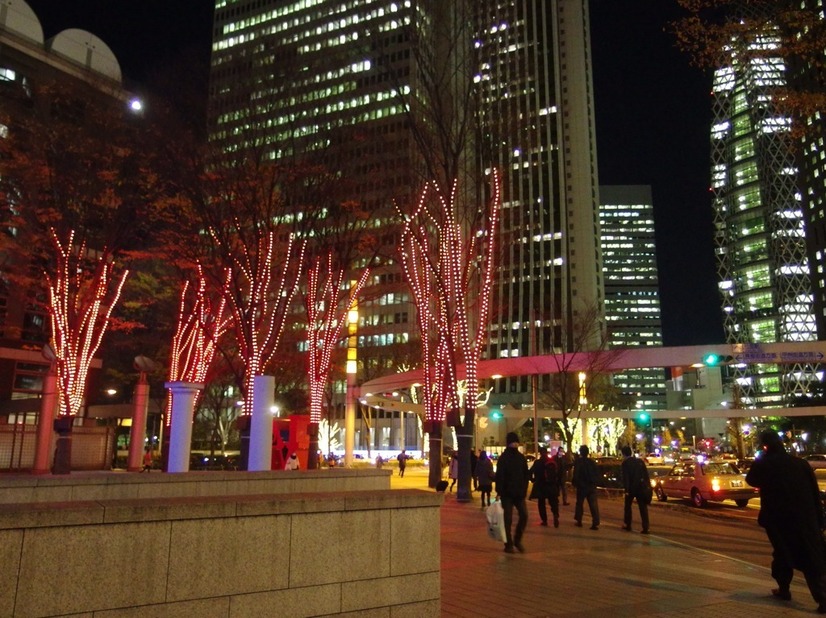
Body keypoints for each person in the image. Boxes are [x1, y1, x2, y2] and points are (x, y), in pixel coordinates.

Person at [746, 430, 826, 612]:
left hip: (778, 519)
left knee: (783, 553)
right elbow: (814, 493)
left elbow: (751, 479)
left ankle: (785, 589)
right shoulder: (801, 464)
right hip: (806, 519)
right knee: (811, 557)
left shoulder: (764, 463)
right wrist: (820, 520)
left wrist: (761, 458)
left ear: (765, 445)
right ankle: (821, 598)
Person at [495, 432, 529, 553]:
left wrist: (524, 489)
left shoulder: (521, 458)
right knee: (507, 519)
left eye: (516, 442)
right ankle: (508, 543)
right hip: (507, 494)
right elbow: (500, 476)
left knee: (524, 516)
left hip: (519, 494)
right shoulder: (504, 458)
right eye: (513, 442)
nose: (515, 444)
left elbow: (526, 475)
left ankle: (517, 540)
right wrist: (499, 491)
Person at [620, 445, 650, 534]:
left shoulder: (625, 463)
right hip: (641, 487)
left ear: (623, 454)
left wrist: (626, 490)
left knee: (628, 506)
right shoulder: (639, 461)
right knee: (643, 508)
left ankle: (627, 524)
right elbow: (645, 475)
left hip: (631, 488)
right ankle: (646, 527)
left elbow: (626, 478)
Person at [529, 445, 560, 528]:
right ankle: (555, 514)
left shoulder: (537, 462)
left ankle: (544, 520)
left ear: (540, 453)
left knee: (541, 503)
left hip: (541, 485)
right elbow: (558, 473)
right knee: (553, 502)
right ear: (547, 453)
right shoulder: (552, 462)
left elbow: (530, 472)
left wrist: (532, 479)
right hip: (551, 485)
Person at [572, 445, 600, 530]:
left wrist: (575, 483)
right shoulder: (592, 462)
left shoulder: (578, 462)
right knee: (593, 505)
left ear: (580, 452)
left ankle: (579, 520)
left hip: (582, 486)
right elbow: (596, 473)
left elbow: (576, 473)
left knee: (580, 503)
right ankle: (595, 522)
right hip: (591, 485)